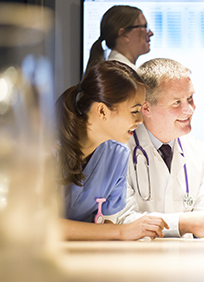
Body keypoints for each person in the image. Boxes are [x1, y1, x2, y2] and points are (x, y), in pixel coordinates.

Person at [57, 60, 167, 241]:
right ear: (102, 111)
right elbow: (38, 223)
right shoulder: (46, 151)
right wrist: (121, 231)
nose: (140, 120)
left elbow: (104, 221)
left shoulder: (117, 156)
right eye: (134, 111)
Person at [117, 58, 204, 238]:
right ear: (146, 108)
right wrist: (183, 223)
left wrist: (195, 224)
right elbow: (122, 220)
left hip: (188, 260)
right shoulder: (119, 152)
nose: (190, 109)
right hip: (136, 260)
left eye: (190, 98)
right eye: (177, 102)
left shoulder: (200, 153)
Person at [86, 5, 153, 69]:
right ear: (124, 34)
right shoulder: (124, 76)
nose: (151, 33)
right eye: (145, 27)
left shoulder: (112, 69)